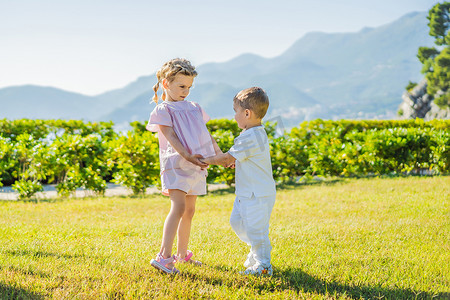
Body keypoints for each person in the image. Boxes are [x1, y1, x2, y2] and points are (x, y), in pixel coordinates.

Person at [146, 58, 222, 274]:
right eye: (181, 86)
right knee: (178, 207)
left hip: (196, 164)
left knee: (189, 210)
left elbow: (206, 135)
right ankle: (163, 256)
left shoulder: (195, 108)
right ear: (166, 84)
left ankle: (181, 255)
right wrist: (187, 156)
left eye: (189, 87)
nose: (185, 91)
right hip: (176, 164)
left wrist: (220, 155)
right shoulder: (163, 110)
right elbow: (170, 136)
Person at [200, 87, 276, 275]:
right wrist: (237, 161)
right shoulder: (251, 134)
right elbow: (242, 158)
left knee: (256, 229)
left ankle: (264, 265)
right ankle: (257, 250)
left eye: (236, 111)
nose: (234, 116)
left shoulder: (253, 135)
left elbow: (227, 159)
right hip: (246, 193)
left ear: (247, 113)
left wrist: (203, 160)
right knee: (237, 222)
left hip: (257, 194)